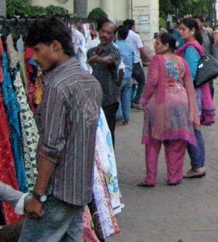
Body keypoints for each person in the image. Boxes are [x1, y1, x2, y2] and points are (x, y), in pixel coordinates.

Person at [20, 16, 102, 241]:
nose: (34, 58)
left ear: (55, 46)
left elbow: (51, 147)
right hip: (79, 188)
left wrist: (38, 195)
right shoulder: (89, 82)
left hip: (57, 190)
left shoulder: (58, 86)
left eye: (37, 50)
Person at [139, 33, 200, 187]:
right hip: (181, 100)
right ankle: (174, 177)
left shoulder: (157, 60)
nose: (155, 46)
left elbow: (152, 81)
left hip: (160, 101)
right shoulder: (181, 61)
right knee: (176, 142)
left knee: (153, 141)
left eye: (157, 43)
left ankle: (150, 178)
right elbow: (188, 82)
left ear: (166, 46)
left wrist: (144, 99)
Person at [176, 17, 208, 179]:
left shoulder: (190, 49)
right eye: (179, 29)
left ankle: (197, 165)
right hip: (194, 92)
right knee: (195, 128)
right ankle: (199, 164)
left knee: (191, 129)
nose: (180, 32)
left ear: (192, 30)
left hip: (190, 93)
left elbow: (190, 74)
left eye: (183, 29)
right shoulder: (194, 46)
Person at [87, 20, 121, 140]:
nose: (105, 35)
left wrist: (98, 60)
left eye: (109, 33)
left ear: (113, 36)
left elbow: (109, 60)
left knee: (108, 134)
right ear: (99, 31)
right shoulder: (91, 51)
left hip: (108, 100)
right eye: (103, 31)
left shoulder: (114, 50)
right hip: (92, 99)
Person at [114, 25, 137, 126]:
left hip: (118, 75)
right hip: (128, 75)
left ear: (117, 34)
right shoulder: (130, 47)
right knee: (126, 98)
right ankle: (126, 117)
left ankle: (119, 116)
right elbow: (133, 61)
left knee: (116, 96)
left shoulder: (115, 46)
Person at [123, 19, 147, 110]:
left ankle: (128, 101)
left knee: (129, 82)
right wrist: (148, 58)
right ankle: (136, 100)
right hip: (135, 62)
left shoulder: (122, 35)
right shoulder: (135, 35)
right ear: (132, 26)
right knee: (142, 81)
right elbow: (141, 49)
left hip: (125, 62)